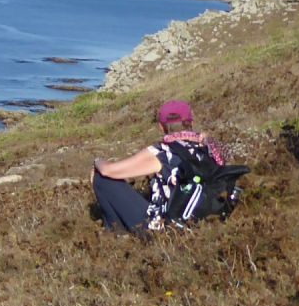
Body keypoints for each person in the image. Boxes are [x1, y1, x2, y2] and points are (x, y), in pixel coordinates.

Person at [91, 100, 227, 233]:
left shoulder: (162, 153)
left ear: (161, 127)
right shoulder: (209, 147)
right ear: (191, 122)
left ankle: (116, 231)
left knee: (101, 178)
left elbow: (107, 171)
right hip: (200, 219)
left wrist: (97, 161)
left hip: (163, 227)